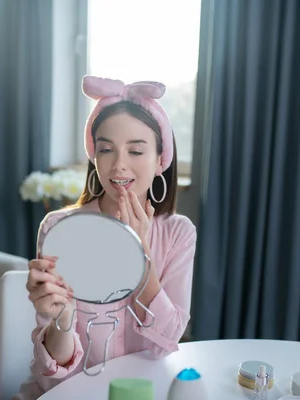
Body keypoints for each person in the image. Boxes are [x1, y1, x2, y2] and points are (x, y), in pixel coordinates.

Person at [13, 75, 197, 399]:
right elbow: (52, 377)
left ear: (160, 161)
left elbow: (167, 342)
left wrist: (142, 256)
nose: (119, 165)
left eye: (136, 151)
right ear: (93, 156)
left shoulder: (178, 233)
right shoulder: (59, 229)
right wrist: (63, 320)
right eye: (106, 149)